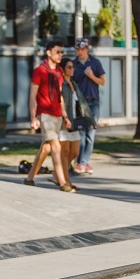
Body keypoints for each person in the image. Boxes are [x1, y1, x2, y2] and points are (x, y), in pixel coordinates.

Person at [23, 39, 74, 192]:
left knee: (46, 148)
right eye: (57, 52)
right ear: (48, 52)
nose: (60, 55)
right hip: (45, 114)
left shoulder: (59, 71)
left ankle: (29, 178)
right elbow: (33, 96)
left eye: (61, 52)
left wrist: (65, 115)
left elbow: (60, 95)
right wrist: (33, 117)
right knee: (56, 146)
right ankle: (63, 183)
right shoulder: (40, 71)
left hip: (57, 113)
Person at [71, 37, 105, 175]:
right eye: (78, 49)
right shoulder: (73, 64)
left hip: (93, 101)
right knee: (81, 132)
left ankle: (83, 162)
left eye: (82, 48)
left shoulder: (95, 63)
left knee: (91, 132)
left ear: (87, 49)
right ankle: (81, 162)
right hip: (80, 101)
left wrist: (90, 75)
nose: (80, 51)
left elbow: (102, 82)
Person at [58, 57, 82, 191]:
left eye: (73, 67)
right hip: (64, 121)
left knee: (75, 151)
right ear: (62, 69)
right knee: (65, 152)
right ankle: (66, 181)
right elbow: (60, 102)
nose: (72, 69)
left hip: (75, 121)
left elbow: (81, 103)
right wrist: (64, 117)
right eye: (69, 67)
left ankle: (59, 173)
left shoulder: (73, 83)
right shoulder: (61, 84)